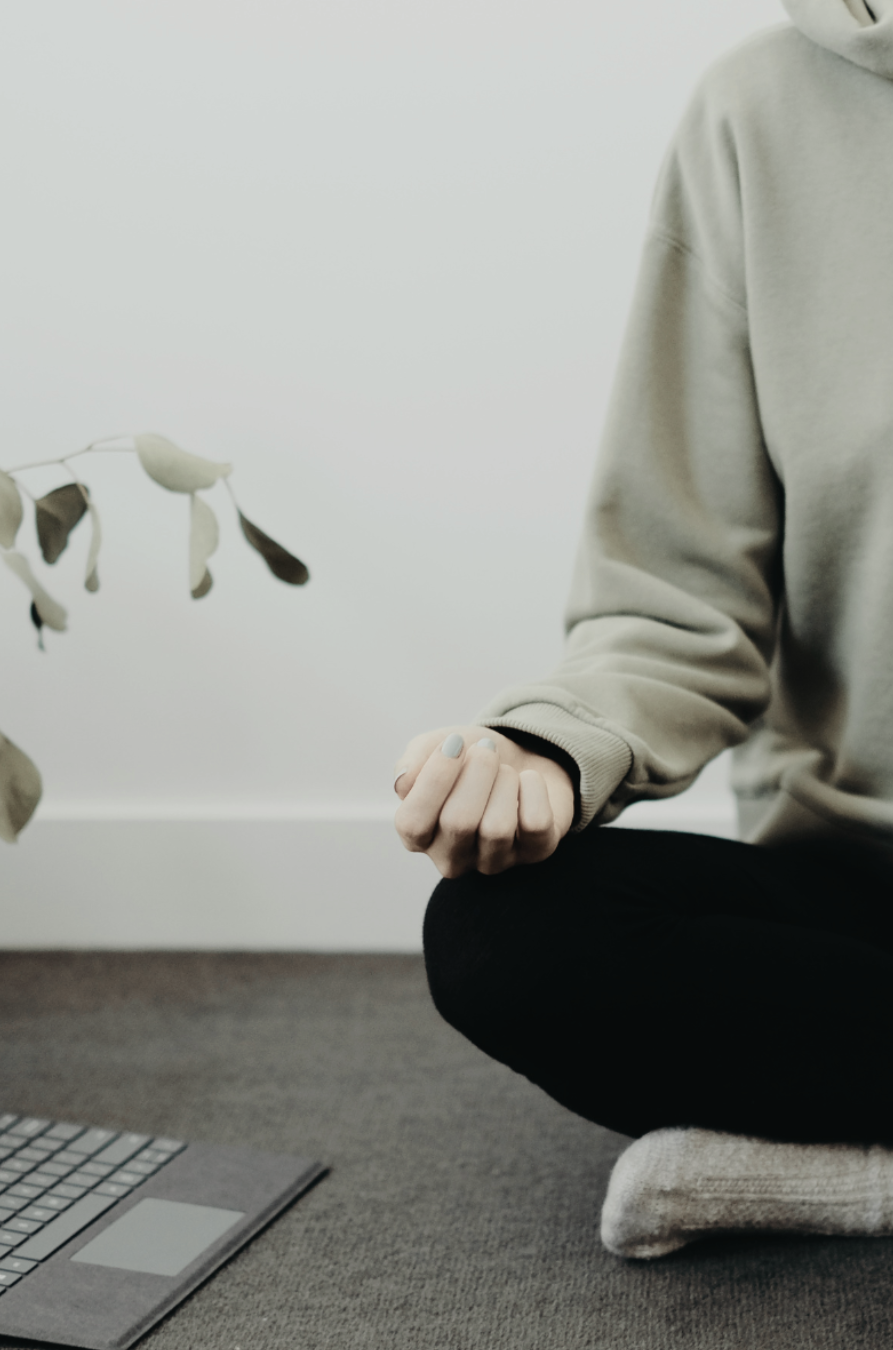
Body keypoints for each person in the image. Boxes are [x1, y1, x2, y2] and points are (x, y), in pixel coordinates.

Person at [392, 0, 893, 1260]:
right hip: (860, 885)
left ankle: (852, 1176)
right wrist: (549, 749)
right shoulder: (757, 114)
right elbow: (678, 591)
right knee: (503, 937)